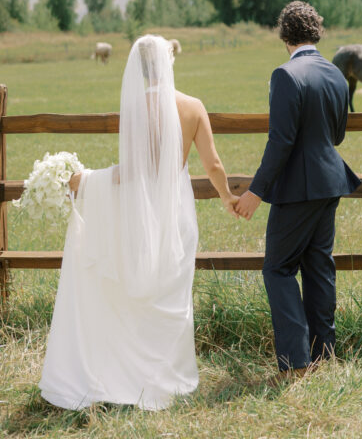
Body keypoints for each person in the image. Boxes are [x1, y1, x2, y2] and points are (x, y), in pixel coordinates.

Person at [40, 34, 238, 411]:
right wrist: (227, 197)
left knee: (137, 289)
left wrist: (87, 180)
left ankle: (131, 373)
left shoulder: (135, 107)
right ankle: (166, 377)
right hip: (175, 208)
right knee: (171, 291)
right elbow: (213, 165)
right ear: (170, 62)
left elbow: (132, 171)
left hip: (139, 209)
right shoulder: (193, 107)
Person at [235, 1, 361, 377]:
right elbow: (338, 134)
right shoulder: (336, 75)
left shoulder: (286, 75)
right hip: (330, 183)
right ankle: (324, 356)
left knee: (278, 268)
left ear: (284, 35)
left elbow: (281, 142)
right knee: (319, 268)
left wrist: (255, 192)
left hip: (297, 190)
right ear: (316, 33)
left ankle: (295, 363)